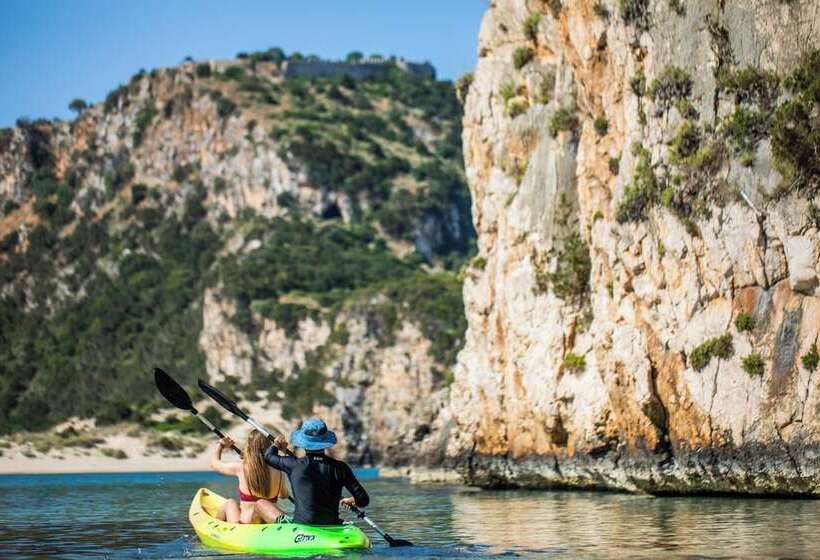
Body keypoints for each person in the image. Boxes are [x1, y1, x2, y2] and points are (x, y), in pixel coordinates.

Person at [264, 417, 369, 526]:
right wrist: (354, 501)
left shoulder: (293, 464)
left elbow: (268, 457)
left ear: (303, 442)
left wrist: (276, 445)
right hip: (332, 525)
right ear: (325, 442)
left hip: (303, 525)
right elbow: (363, 500)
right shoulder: (340, 468)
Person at [210, 430, 290, 524]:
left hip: (246, 524)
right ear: (269, 447)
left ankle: (214, 528)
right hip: (267, 523)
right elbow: (284, 495)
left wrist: (220, 445)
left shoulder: (241, 467)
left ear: (249, 446)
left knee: (230, 503)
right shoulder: (278, 470)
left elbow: (214, 465)